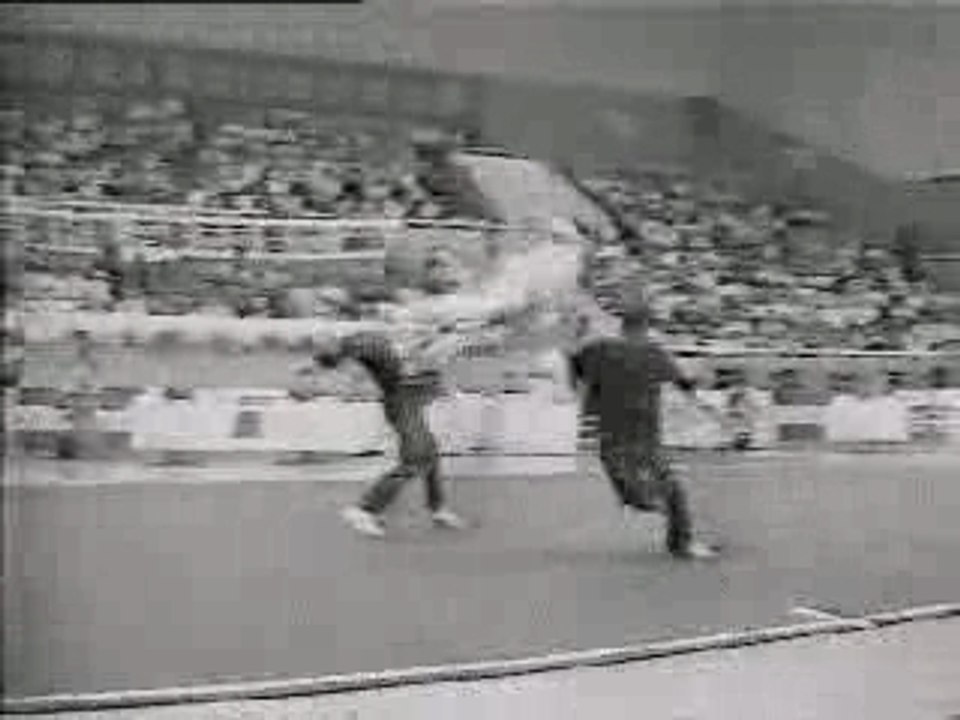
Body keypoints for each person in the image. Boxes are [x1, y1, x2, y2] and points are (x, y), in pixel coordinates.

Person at [567, 298, 721, 560]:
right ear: (646, 325)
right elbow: (685, 385)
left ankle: (658, 513)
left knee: (639, 495)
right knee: (669, 491)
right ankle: (680, 541)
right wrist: (703, 384)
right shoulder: (654, 353)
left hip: (611, 440)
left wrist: (585, 389)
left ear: (622, 325)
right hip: (644, 439)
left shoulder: (599, 349)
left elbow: (574, 365)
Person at [303, 329, 466, 538]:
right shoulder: (357, 347)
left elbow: (410, 354)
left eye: (327, 341)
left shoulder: (360, 342)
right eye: (325, 344)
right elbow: (355, 370)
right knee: (416, 458)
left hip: (408, 401)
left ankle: (437, 508)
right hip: (401, 404)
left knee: (430, 454)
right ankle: (364, 510)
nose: (328, 341)